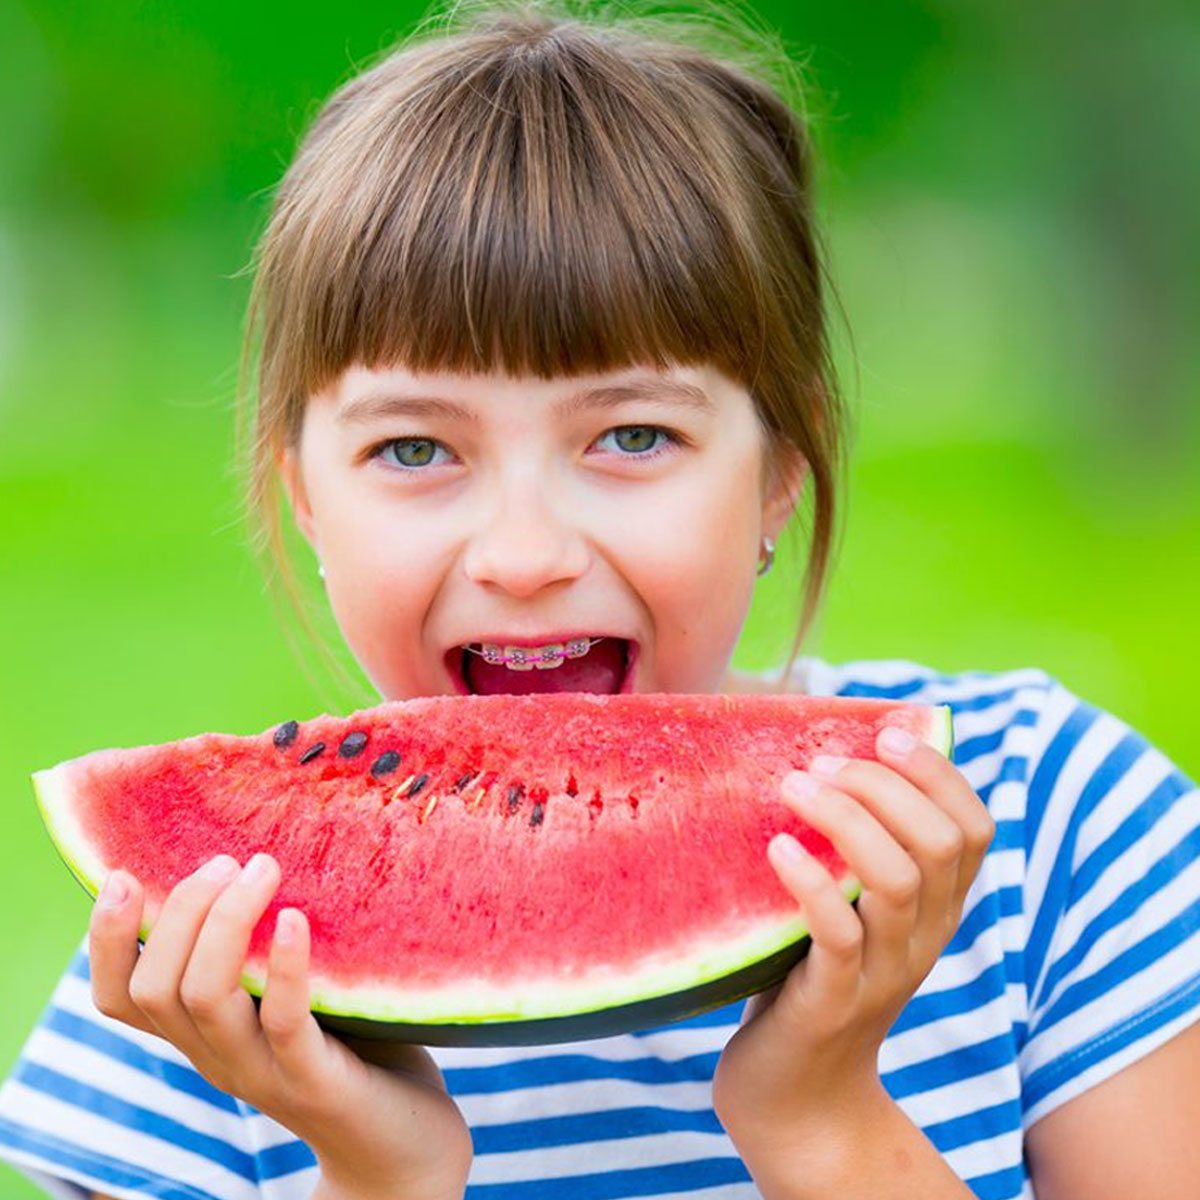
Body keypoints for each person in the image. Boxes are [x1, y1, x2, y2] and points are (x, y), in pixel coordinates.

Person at [2, 2, 1198, 1197]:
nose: (524, 554)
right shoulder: (191, 989)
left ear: (783, 470)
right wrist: (375, 1177)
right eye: (415, 450)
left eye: (633, 433)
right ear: (305, 496)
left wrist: (822, 1118)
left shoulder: (1057, 834)